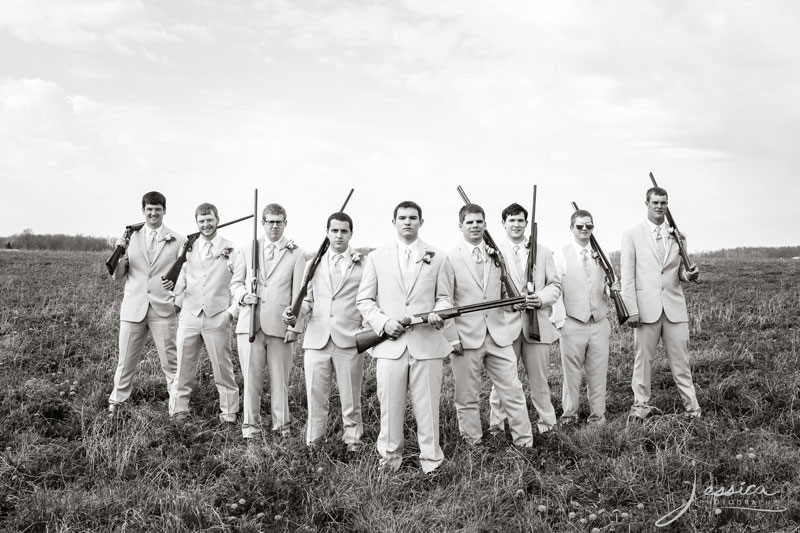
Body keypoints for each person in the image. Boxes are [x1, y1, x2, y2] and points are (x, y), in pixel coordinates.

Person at [356, 201, 451, 473]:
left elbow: (445, 297)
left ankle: (432, 462)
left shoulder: (439, 256)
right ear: (394, 222)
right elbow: (364, 299)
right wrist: (384, 324)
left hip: (426, 344)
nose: (407, 222)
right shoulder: (376, 257)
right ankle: (389, 462)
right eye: (402, 218)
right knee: (390, 408)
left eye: (413, 217)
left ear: (421, 221)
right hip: (390, 346)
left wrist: (438, 313)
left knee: (429, 409)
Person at [442, 204, 533, 447]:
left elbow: (504, 293)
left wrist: (515, 304)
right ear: (460, 226)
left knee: (513, 391)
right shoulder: (450, 257)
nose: (475, 226)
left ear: (485, 224)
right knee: (467, 397)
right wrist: (452, 337)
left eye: (479, 222)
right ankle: (474, 445)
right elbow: (444, 299)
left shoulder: (496, 256)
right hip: (465, 337)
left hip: (498, 335)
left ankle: (524, 442)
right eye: (470, 222)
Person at [282, 212, 365, 451]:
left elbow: (367, 300)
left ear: (351, 233)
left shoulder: (363, 264)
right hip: (317, 340)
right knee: (316, 397)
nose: (339, 235)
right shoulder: (313, 264)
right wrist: (294, 313)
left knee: (351, 399)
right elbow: (306, 301)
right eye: (334, 230)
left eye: (344, 231)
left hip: (349, 340)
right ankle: (314, 445)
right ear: (327, 232)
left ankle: (353, 444)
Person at [621, 186, 701, 421]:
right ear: (646, 204)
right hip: (645, 311)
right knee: (643, 362)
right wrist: (631, 310)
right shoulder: (632, 234)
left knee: (682, 363)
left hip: (674, 308)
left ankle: (693, 409)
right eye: (655, 202)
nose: (659, 206)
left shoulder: (679, 235)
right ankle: (640, 408)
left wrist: (690, 275)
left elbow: (679, 273)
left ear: (667, 205)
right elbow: (627, 276)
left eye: (663, 203)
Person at [230, 203, 306, 439]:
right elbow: (235, 283)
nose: (274, 226)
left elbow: (299, 294)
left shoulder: (297, 253)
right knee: (251, 380)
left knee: (280, 381)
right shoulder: (246, 249)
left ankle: (281, 426)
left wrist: (295, 326)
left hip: (280, 327)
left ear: (285, 223)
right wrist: (243, 296)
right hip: (250, 324)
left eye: (279, 221)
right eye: (270, 221)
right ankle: (250, 428)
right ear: (262, 223)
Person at [108, 191, 185, 417]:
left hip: (163, 309)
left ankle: (177, 407)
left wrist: (177, 303)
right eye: (149, 209)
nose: (153, 213)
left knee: (171, 363)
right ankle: (117, 403)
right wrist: (120, 251)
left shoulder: (178, 239)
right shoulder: (131, 237)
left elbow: (185, 274)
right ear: (143, 211)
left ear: (164, 211)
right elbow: (118, 275)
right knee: (125, 362)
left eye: (157, 209)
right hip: (133, 308)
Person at [488, 203, 561, 434]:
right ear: (503, 224)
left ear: (526, 223)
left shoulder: (544, 251)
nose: (517, 225)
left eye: (520, 220)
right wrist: (511, 300)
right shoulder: (493, 253)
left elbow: (555, 286)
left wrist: (538, 299)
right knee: (502, 382)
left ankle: (547, 425)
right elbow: (490, 290)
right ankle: (497, 427)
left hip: (536, 325)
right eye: (512, 220)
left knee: (539, 381)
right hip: (507, 326)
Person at [169, 203, 239, 423]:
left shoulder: (232, 249)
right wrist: (172, 291)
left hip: (217, 315)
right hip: (189, 314)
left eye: (210, 220)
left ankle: (228, 413)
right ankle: (178, 410)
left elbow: (239, 283)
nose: (206, 225)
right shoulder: (188, 247)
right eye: (201, 221)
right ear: (197, 223)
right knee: (182, 366)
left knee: (222, 367)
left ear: (218, 219)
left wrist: (230, 313)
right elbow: (181, 278)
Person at [552, 209, 620, 426]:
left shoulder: (601, 254)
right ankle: (569, 416)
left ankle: (597, 417)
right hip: (572, 323)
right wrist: (561, 322)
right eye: (579, 226)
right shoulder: (560, 255)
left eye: (588, 226)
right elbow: (555, 290)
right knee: (571, 374)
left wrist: (613, 289)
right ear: (571, 228)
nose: (584, 230)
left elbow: (608, 286)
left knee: (598, 373)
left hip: (599, 322)